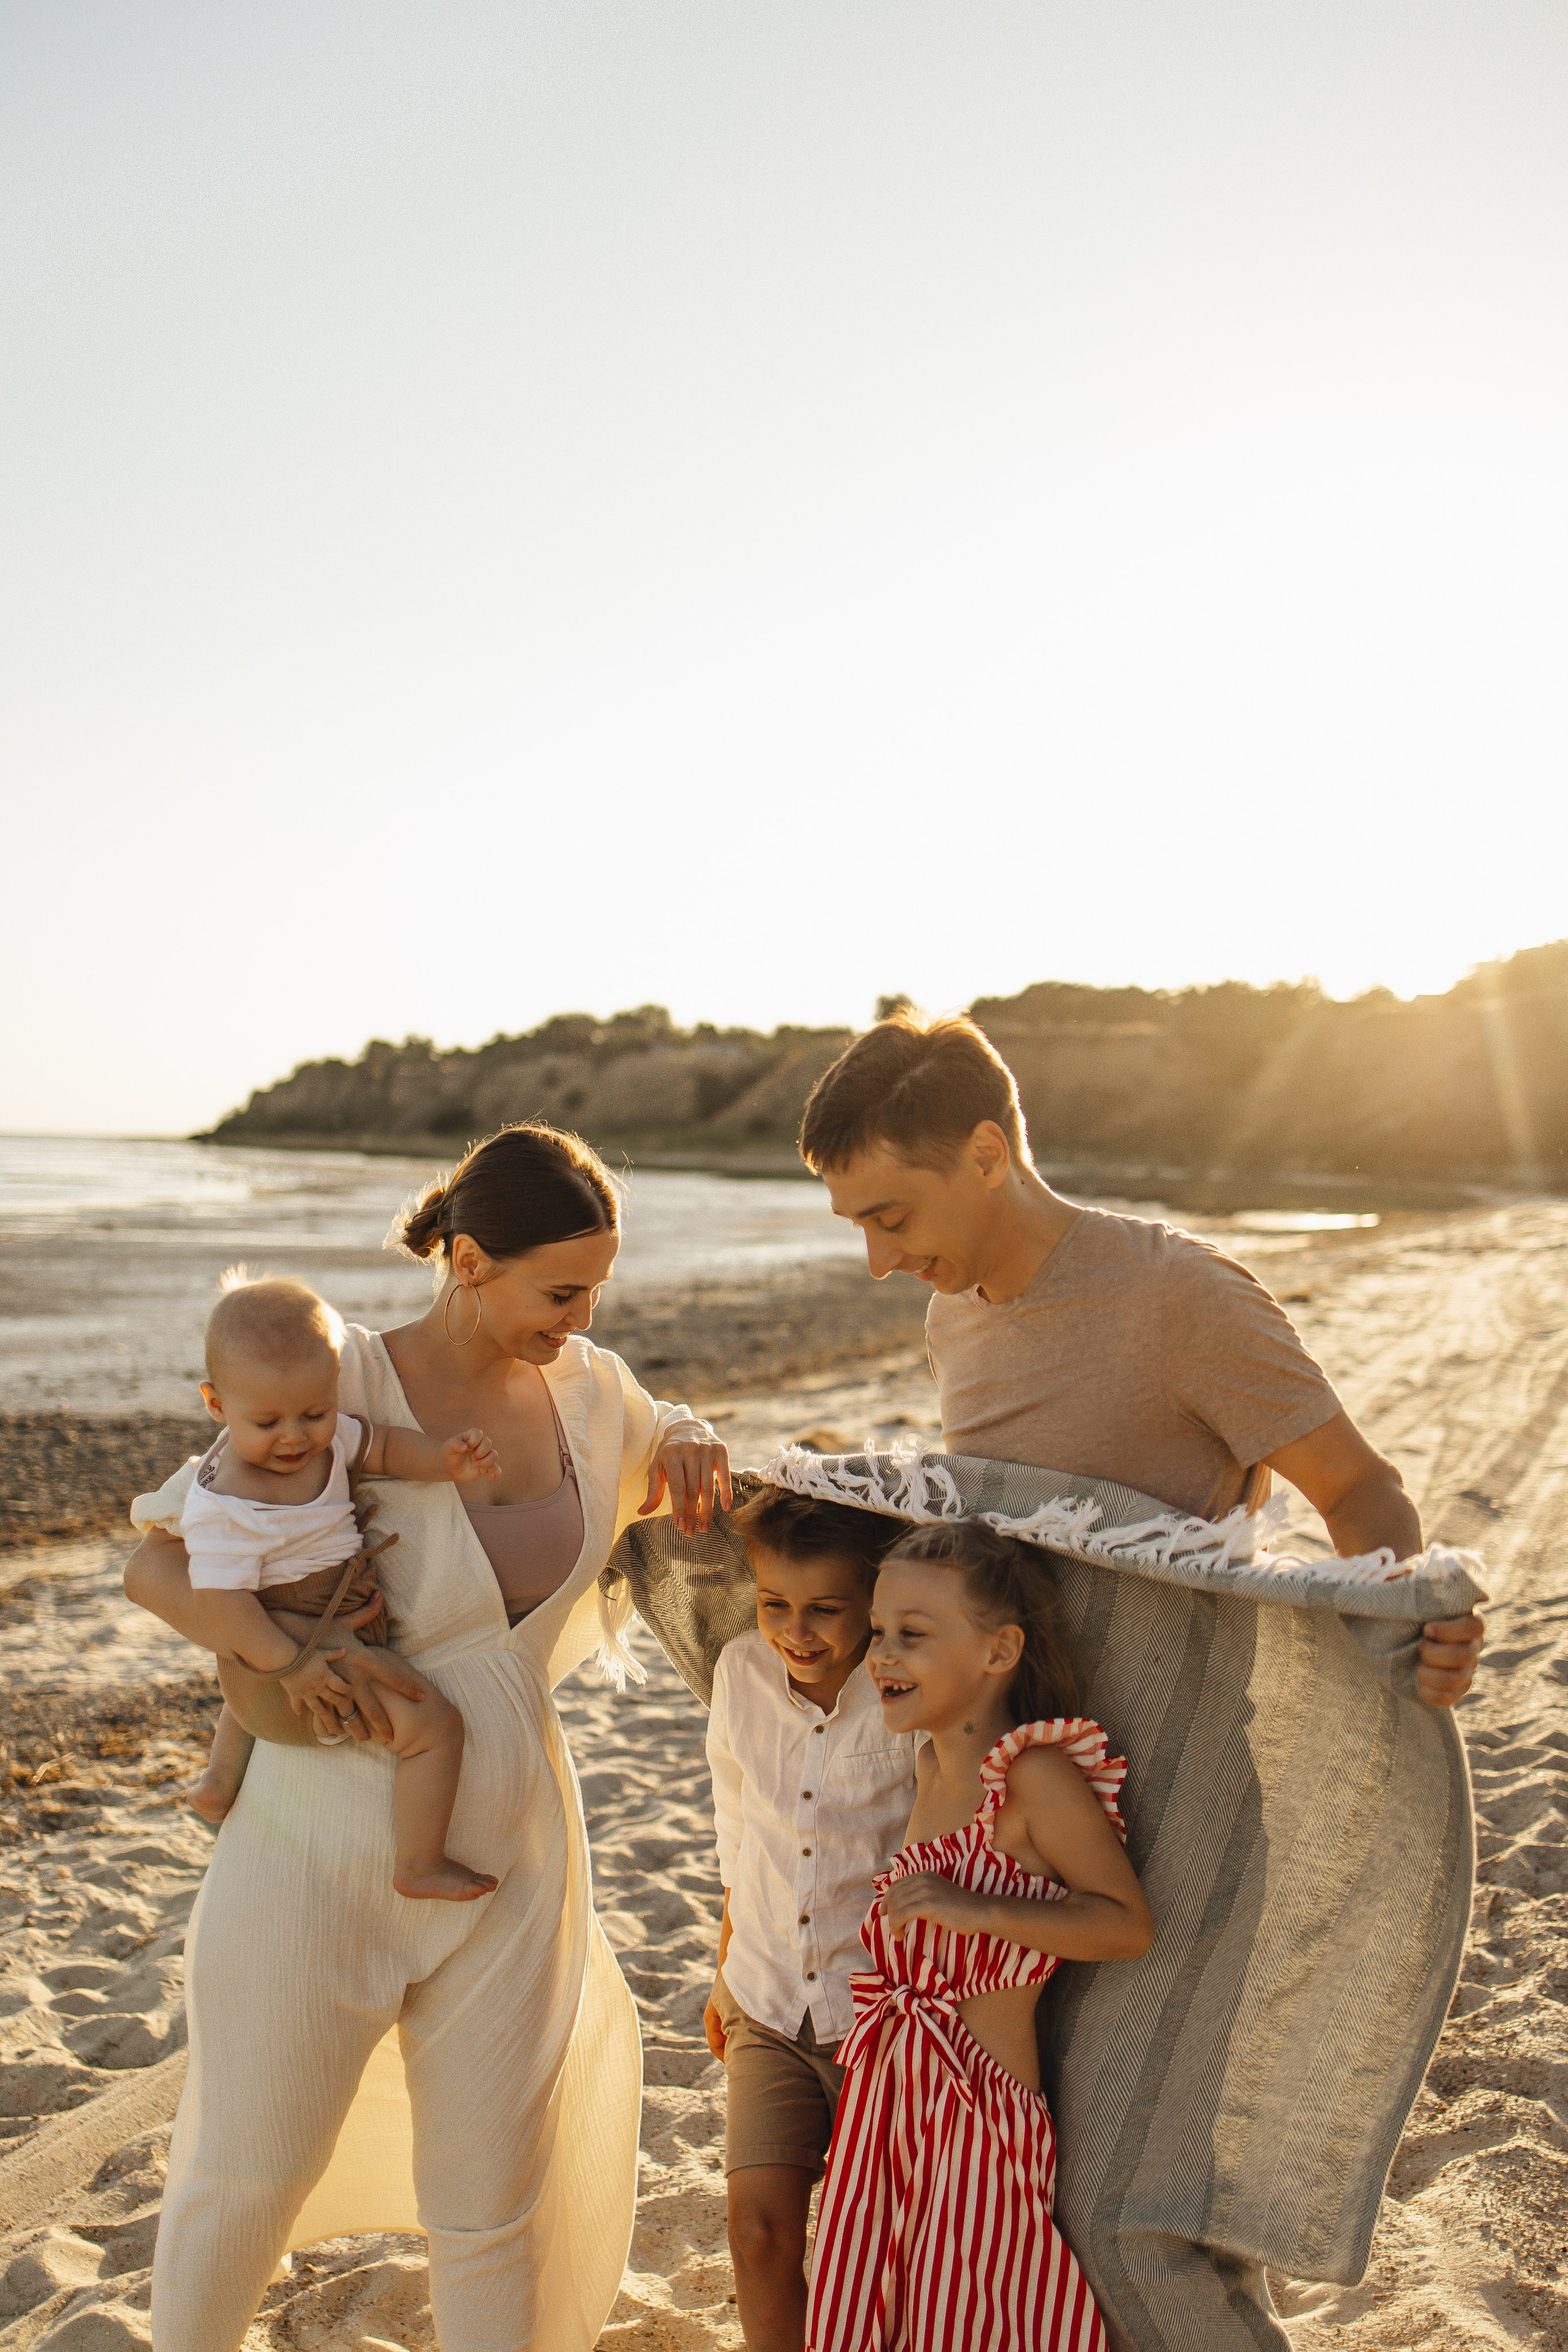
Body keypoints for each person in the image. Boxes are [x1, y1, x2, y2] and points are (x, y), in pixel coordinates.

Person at [796, 1008, 1485, 2351]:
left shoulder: (1180, 1297)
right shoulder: (957, 1316)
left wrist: (1411, 1623)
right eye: (855, 1231)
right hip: (1022, 1818)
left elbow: (1357, 1493)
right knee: (1029, 2194)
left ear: (986, 1153)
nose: (881, 1262)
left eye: (891, 1215)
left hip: (1180, 1819)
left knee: (1135, 2214)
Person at [121, 1121, 733, 2352]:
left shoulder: (590, 1395)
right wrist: (285, 1658)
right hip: (309, 1838)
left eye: (597, 1291)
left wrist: (687, 1429)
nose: (581, 1317)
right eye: (559, 1291)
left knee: (493, 2202)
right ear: (466, 1259)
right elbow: (157, 1560)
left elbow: (655, 1432)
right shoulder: (333, 1385)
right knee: (247, 2172)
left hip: (513, 1860)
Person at [807, 1521, 1152, 2352]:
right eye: (879, 1632)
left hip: (978, 2110)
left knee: (974, 2319)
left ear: (999, 1653)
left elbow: (1125, 1923)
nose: (881, 1655)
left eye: (912, 1636)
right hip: (887, 2099)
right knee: (872, 2306)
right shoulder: (930, 1763)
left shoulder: (1032, 1776)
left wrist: (981, 1911)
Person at [136, 1269, 503, 1901]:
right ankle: (418, 1864)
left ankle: (220, 1783)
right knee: (436, 1728)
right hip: (295, 1658)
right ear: (216, 1406)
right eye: (268, 1421)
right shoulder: (226, 1502)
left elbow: (382, 1447)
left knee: (245, 1675)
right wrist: (295, 1667)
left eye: (315, 1412)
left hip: (292, 1634)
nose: (295, 1437)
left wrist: (442, 1460)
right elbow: (223, 1608)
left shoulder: (327, 1442)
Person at [703, 1487, 917, 2352]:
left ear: (874, 1600)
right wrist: (724, 1971)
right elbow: (736, 1832)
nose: (797, 1631)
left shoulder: (908, 1688)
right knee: (758, 2231)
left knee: (889, 2250)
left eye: (826, 1610)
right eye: (775, 1605)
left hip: (885, 2017)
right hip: (766, 1998)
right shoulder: (739, 1673)